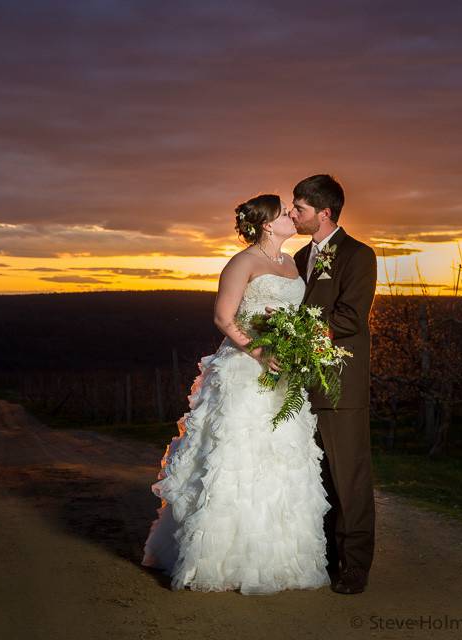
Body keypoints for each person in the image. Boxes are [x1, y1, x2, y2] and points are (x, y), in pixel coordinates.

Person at [141, 194, 331, 595]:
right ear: (266, 224)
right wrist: (259, 349)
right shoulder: (242, 262)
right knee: (236, 461)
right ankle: (221, 559)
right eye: (285, 214)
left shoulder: (292, 261)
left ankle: (275, 557)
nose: (292, 217)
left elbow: (295, 315)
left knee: (280, 461)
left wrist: (299, 343)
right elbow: (223, 317)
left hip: (283, 376)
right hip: (246, 371)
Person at [289, 174, 377, 595]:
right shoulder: (299, 255)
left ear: (324, 213)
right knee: (314, 477)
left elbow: (349, 318)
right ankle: (323, 558)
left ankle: (355, 566)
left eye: (299, 208)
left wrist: (295, 333)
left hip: (340, 383)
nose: (292, 213)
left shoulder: (359, 255)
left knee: (349, 478)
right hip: (300, 385)